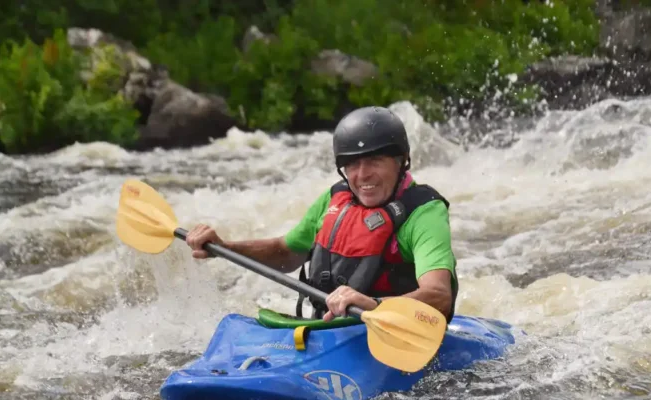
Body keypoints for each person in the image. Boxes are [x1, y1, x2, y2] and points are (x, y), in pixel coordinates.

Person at [185, 106, 458, 322]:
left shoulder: (423, 212)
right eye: (352, 164)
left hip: (395, 335)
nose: (362, 175)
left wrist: (374, 306)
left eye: (375, 161)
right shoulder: (335, 200)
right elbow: (285, 252)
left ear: (402, 161)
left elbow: (439, 296)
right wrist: (223, 247)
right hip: (331, 330)